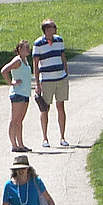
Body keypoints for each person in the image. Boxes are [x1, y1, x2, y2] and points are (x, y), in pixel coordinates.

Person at [32, 17, 70, 148]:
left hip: (61, 78)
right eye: (53, 27)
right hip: (47, 80)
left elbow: (63, 57)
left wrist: (66, 72)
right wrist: (37, 84)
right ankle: (45, 138)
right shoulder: (38, 44)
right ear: (46, 29)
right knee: (45, 108)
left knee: (61, 106)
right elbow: (35, 64)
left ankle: (62, 137)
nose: (55, 29)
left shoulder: (59, 40)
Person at [1, 40, 35, 151]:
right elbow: (4, 71)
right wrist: (11, 83)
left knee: (20, 120)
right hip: (17, 93)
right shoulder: (17, 60)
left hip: (25, 93)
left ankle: (20, 144)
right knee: (15, 119)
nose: (28, 50)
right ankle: (14, 144)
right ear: (19, 49)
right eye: (25, 48)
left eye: (28, 48)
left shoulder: (25, 60)